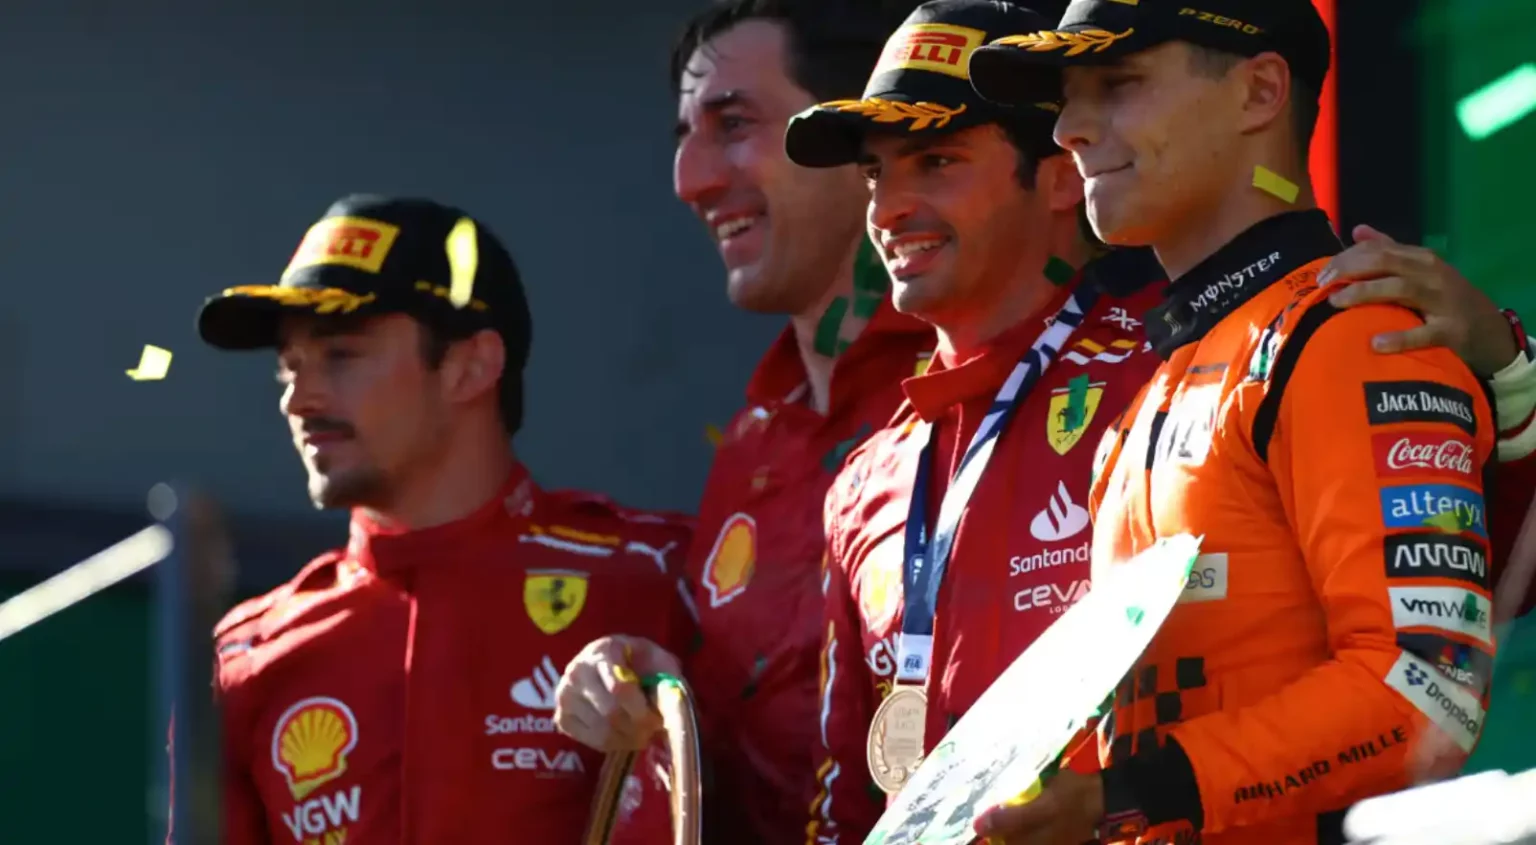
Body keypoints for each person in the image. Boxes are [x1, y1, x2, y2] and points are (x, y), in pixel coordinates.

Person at [962, 1, 1526, 842]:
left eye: (1117, 84)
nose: (1069, 129)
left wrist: (1122, 796)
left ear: (1260, 92)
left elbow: (1423, 691)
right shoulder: (1154, 393)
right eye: (1067, 98)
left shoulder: (1357, 335)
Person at [184, 195, 690, 844]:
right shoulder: (247, 655)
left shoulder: (660, 577)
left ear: (470, 366)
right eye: (289, 367)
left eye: (341, 355)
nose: (298, 398)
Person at [781, 2, 1170, 841]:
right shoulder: (868, 478)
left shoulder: (1179, 376)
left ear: (1061, 175)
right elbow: (844, 795)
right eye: (876, 173)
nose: (889, 208)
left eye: (937, 161)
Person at [553, 3, 936, 842]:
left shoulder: (998, 381)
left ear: (862, 135)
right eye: (685, 137)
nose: (689, 182)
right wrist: (647, 687)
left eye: (733, 124)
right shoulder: (754, 438)